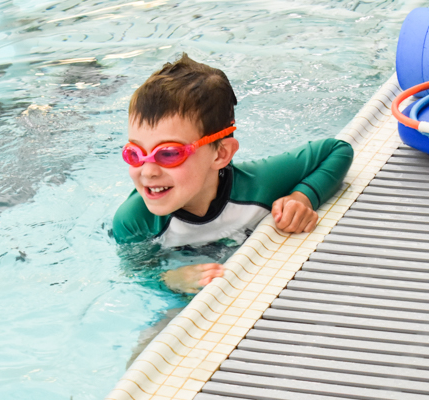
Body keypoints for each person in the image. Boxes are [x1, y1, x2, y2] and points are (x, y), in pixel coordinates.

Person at [113, 54, 353, 293]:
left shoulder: (258, 185)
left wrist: (302, 197)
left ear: (220, 154)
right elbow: (136, 271)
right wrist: (168, 280)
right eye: (134, 153)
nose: (148, 171)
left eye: (168, 154)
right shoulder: (134, 220)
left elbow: (336, 151)